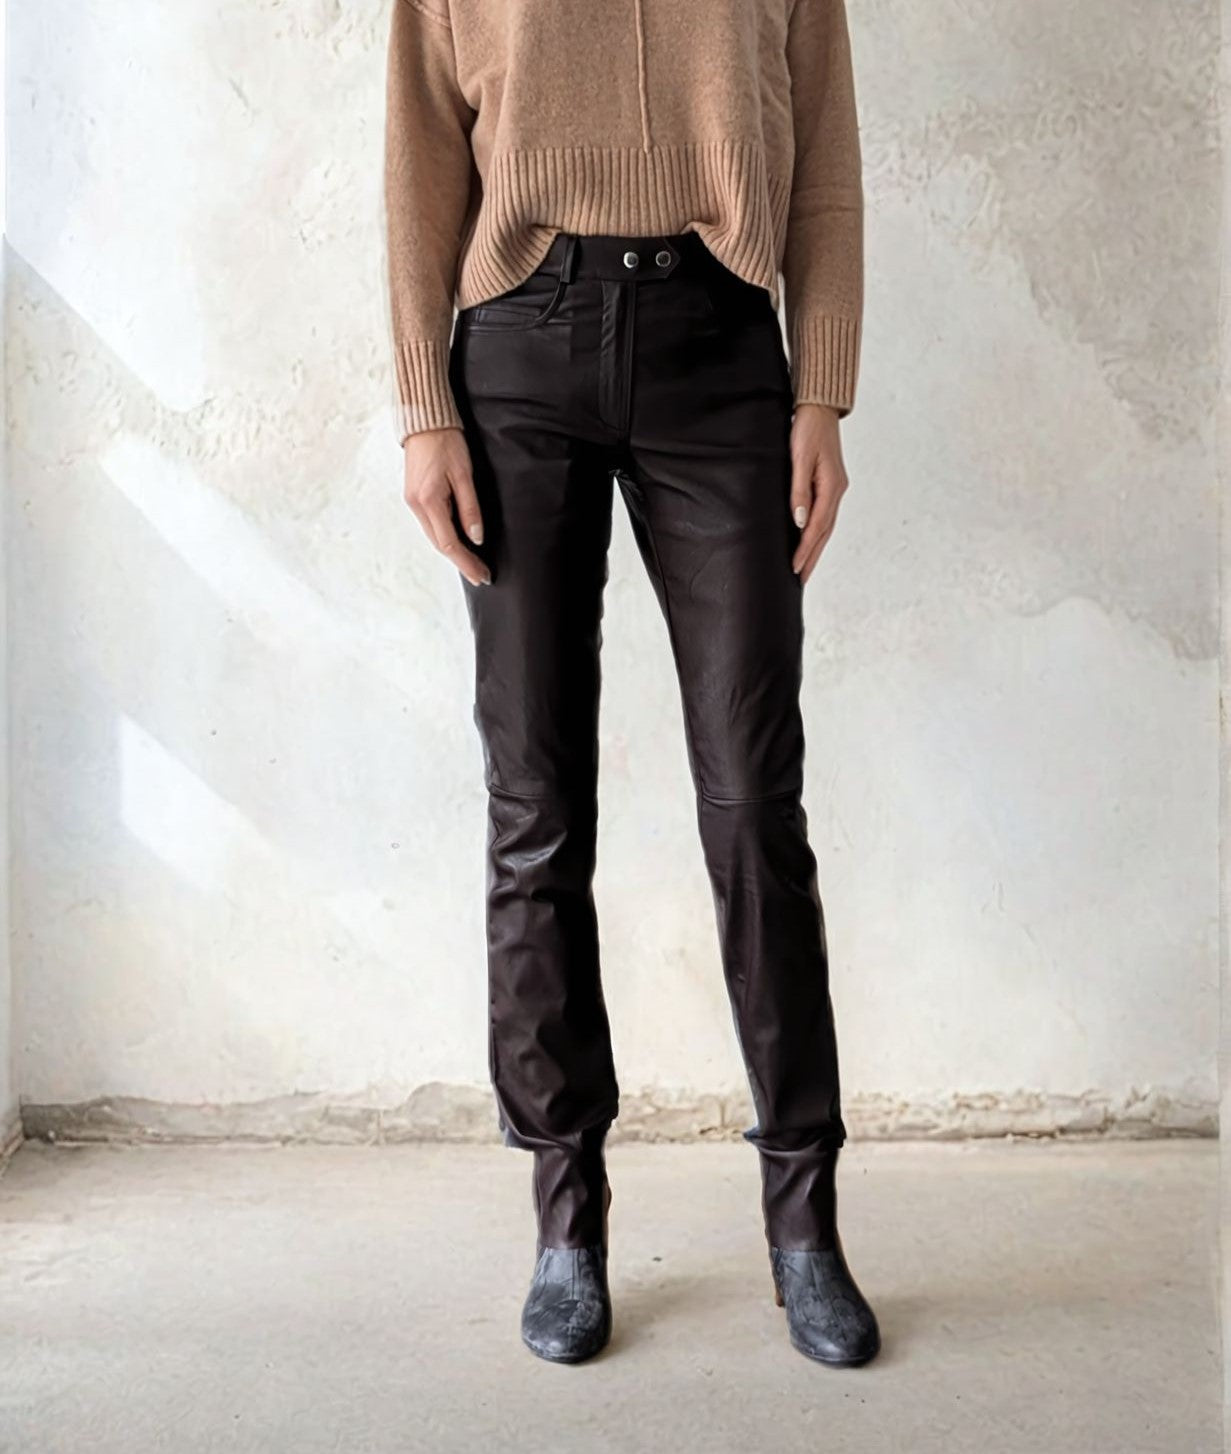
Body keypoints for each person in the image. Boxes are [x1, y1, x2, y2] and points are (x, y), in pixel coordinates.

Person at [383, 0, 879, 1368]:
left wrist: (822, 392)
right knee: (535, 809)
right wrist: (425, 408)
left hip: (723, 353)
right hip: (517, 355)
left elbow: (824, 159)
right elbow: (421, 159)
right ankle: (566, 1221)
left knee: (755, 807)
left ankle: (804, 1225)